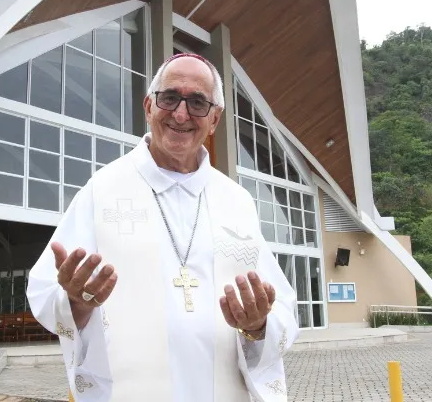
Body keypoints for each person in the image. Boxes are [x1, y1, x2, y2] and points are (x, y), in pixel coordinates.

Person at [26, 53, 299, 402]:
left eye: (198, 102)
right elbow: (46, 293)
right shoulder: (104, 188)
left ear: (214, 120)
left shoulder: (238, 201)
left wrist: (257, 325)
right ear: (149, 106)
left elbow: (283, 310)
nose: (181, 114)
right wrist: (77, 302)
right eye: (169, 97)